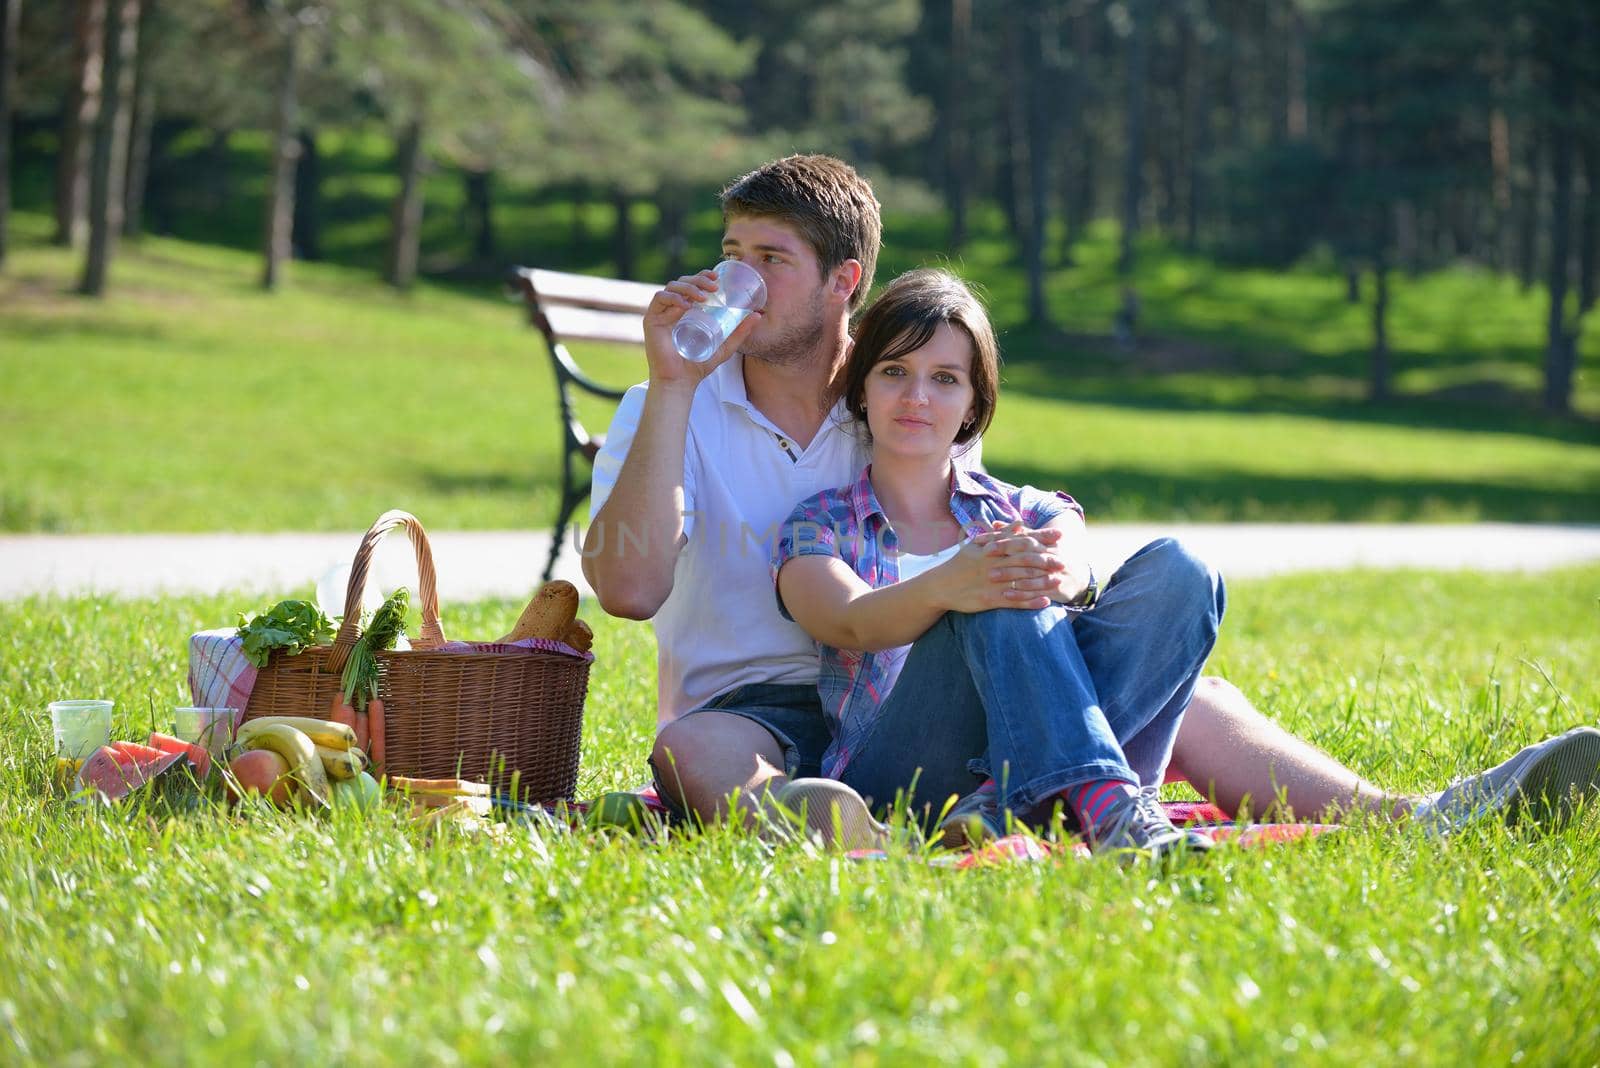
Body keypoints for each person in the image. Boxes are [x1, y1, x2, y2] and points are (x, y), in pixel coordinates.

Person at [582, 153, 1600, 847]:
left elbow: (1005, 528)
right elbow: (627, 591)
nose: (736, 278)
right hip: (762, 712)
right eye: (730, 252)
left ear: (843, 281)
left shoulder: (900, 389)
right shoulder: (669, 404)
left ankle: (1411, 817)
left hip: (935, 689)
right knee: (692, 747)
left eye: (769, 260)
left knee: (1188, 686)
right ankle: (878, 840)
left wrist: (1063, 546)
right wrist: (673, 383)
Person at [771, 269, 1222, 857]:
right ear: (861, 389)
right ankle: (1105, 806)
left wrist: (1070, 576)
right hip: (897, 777)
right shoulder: (817, 524)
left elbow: (1073, 554)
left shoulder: (1026, 510)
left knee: (1185, 570)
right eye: (894, 373)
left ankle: (1006, 799)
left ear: (973, 401)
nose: (917, 397)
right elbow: (850, 621)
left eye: (944, 379)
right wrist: (951, 584)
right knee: (994, 585)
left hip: (1008, 766)